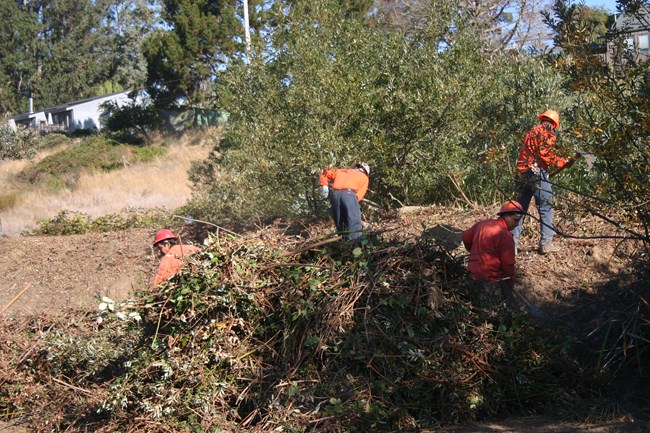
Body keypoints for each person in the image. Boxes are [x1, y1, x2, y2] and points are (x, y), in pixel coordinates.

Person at [512, 109, 575, 255]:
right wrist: (562, 162)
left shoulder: (531, 132)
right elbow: (545, 155)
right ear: (554, 124)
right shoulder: (547, 132)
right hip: (537, 173)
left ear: (542, 119)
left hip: (522, 173)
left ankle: (511, 245)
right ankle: (546, 244)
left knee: (519, 209)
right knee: (546, 207)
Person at [462, 200, 524, 309]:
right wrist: (511, 281)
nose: (517, 224)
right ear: (506, 216)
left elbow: (465, 237)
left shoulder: (482, 224)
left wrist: (473, 251)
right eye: (515, 220)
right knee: (501, 308)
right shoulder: (506, 236)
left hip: (471, 276)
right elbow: (508, 265)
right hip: (490, 281)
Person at [319, 162, 370, 240]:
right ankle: (354, 243)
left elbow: (325, 172)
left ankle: (343, 242)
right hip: (349, 195)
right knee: (353, 221)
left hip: (335, 195)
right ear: (365, 172)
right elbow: (359, 195)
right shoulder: (364, 178)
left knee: (340, 221)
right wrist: (352, 201)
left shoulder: (342, 171)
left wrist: (324, 186)